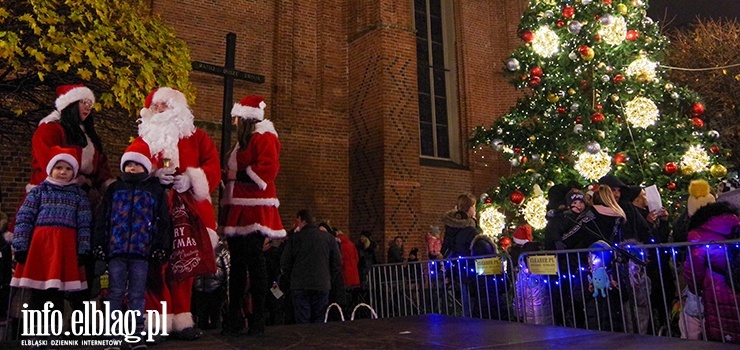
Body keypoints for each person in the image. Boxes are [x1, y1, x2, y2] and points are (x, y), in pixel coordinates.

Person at [132, 87, 221, 340]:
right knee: (155, 267)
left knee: (184, 264)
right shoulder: (145, 140)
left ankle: (182, 318)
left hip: (189, 211)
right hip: (154, 211)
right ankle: (157, 321)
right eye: (156, 107)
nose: (160, 110)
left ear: (178, 109)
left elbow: (212, 166)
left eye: (165, 105)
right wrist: (152, 175)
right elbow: (131, 163)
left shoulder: (198, 138)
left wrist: (191, 179)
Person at [92, 148, 172, 349]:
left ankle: (136, 334)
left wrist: (162, 246)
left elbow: (163, 221)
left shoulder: (154, 191)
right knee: (115, 293)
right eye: (128, 164)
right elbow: (103, 217)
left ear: (144, 167)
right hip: (116, 250)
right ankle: (113, 335)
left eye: (136, 164)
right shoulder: (114, 189)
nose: (131, 167)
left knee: (137, 294)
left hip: (141, 251)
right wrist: (99, 243)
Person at [220, 95, 286, 336]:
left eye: (237, 117)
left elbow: (268, 168)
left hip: (255, 207)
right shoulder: (242, 142)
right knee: (237, 264)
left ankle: (258, 317)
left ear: (246, 118)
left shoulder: (264, 137)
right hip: (238, 206)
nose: (234, 121)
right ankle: (235, 318)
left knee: (254, 262)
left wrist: (238, 176)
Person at [10, 147, 91, 333]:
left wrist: (83, 249)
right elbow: (24, 218)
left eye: (68, 169)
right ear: (51, 169)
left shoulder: (78, 195)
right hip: (40, 249)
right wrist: (21, 245)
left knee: (57, 294)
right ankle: (36, 332)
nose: (63, 172)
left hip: (64, 248)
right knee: (37, 294)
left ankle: (52, 332)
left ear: (74, 172)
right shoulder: (39, 192)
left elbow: (85, 224)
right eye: (59, 167)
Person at [684, 200, 740, 344]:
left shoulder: (698, 235)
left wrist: (694, 288)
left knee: (722, 333)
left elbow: (693, 272)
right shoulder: (736, 225)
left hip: (716, 289)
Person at [280, 210, 341, 324]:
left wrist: (292, 278)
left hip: (300, 285)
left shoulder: (295, 239)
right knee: (319, 320)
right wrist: (328, 278)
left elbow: (285, 263)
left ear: (302, 221)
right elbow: (337, 262)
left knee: (303, 321)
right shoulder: (328, 238)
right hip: (322, 284)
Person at [192, 239, 229, 330]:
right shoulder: (195, 248)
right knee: (201, 318)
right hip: (199, 289)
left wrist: (228, 288)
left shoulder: (221, 249)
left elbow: (228, 270)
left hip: (216, 288)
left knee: (216, 316)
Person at [441, 193, 479, 258]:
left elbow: (445, 247)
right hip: (468, 262)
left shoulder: (450, 226)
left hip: (453, 262)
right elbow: (479, 245)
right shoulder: (470, 229)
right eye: (474, 206)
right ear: (471, 207)